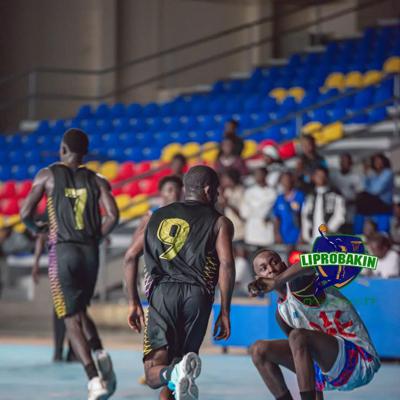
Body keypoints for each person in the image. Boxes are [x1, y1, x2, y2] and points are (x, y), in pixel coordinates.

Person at [20, 128, 119, 400]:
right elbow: (113, 215)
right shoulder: (97, 179)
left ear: (63, 149)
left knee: (69, 317)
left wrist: (39, 228)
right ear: (85, 152)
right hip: (90, 253)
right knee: (80, 309)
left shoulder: (47, 175)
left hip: (62, 252)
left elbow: (25, 213)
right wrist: (96, 237)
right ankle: (99, 351)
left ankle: (93, 379)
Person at [126, 165, 235, 400]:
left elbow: (130, 257)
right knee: (182, 367)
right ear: (208, 190)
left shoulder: (155, 216)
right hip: (197, 297)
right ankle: (175, 373)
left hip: (163, 294)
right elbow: (226, 264)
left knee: (154, 373)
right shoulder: (220, 222)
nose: (218, 195)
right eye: (216, 190)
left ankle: (171, 373)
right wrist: (225, 311)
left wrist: (133, 302)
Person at [248, 249, 380, 400]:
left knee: (297, 336)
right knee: (258, 350)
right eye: (264, 268)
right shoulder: (281, 314)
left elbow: (311, 262)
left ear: (284, 265)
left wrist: (277, 281)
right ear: (258, 279)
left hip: (359, 359)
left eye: (274, 262)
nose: (271, 269)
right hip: (329, 370)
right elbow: (304, 357)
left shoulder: (301, 283)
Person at [124, 175, 183, 398]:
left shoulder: (189, 216)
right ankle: (165, 372)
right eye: (169, 189)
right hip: (161, 289)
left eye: (177, 189)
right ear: (161, 194)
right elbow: (133, 251)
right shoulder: (151, 216)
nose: (174, 193)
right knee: (169, 354)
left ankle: (163, 372)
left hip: (175, 291)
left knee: (171, 358)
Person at [32, 231, 76, 362]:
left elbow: (40, 234)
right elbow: (41, 235)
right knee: (69, 306)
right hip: (66, 257)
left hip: (62, 258)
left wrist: (36, 263)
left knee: (66, 306)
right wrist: (36, 263)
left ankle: (65, 350)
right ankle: (64, 350)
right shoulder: (55, 218)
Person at [301, 167, 345, 243]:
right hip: (312, 237)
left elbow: (340, 215)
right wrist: (305, 234)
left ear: (327, 177)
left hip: (331, 236)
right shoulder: (309, 196)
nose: (320, 178)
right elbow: (305, 215)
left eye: (323, 175)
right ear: (313, 177)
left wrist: (329, 229)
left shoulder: (335, 194)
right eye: (318, 175)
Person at [241, 167, 277, 249]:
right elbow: (244, 212)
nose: (257, 176)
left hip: (266, 229)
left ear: (265, 175)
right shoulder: (249, 192)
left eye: (260, 174)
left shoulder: (272, 192)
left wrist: (256, 209)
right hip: (252, 229)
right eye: (256, 174)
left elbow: (268, 210)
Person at [330, 153, 363, 230]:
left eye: (347, 162)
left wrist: (349, 202)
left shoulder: (356, 177)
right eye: (343, 161)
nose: (345, 164)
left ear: (351, 163)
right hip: (336, 212)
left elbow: (360, 194)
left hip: (351, 214)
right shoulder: (333, 176)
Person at [273, 172, 305, 246]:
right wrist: (277, 234)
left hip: (297, 237)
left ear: (292, 180)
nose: (286, 182)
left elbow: (304, 217)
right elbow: (276, 218)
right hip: (283, 237)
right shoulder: (279, 199)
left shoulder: (300, 196)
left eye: (288, 179)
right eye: (283, 180)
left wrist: (302, 234)